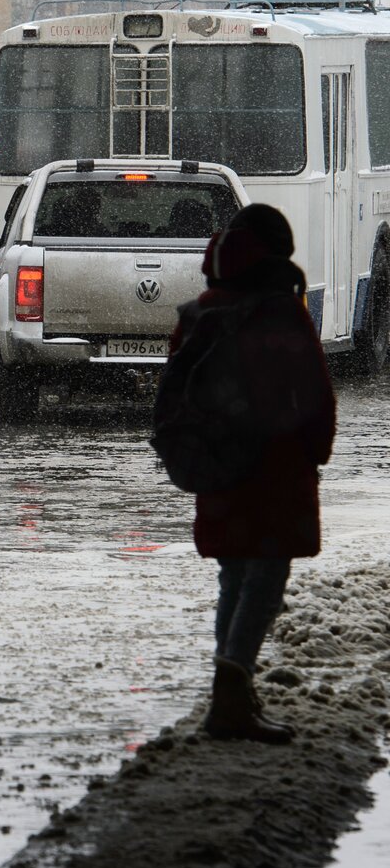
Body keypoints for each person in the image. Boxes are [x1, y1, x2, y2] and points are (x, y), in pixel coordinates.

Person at [169, 203, 335, 743]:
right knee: (265, 580)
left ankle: (232, 692)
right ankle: (231, 692)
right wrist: (316, 452)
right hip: (275, 469)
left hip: (216, 468)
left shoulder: (198, 312)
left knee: (234, 576)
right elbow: (313, 393)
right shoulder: (280, 311)